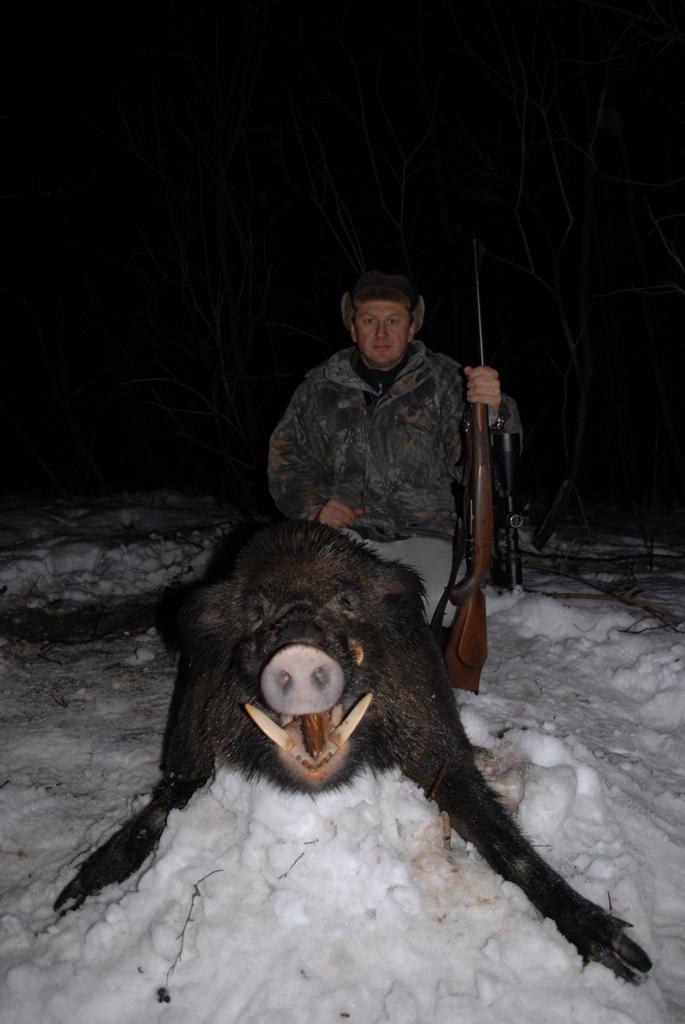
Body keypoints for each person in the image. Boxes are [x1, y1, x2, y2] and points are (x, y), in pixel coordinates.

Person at [268, 270, 521, 622]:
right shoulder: (318, 388)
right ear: (353, 329)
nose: (381, 333)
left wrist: (494, 412)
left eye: (393, 320)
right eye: (369, 321)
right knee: (304, 607)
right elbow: (285, 464)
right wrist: (314, 508)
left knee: (427, 608)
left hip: (426, 536)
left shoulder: (448, 382)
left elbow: (477, 471)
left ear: (411, 328)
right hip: (342, 537)